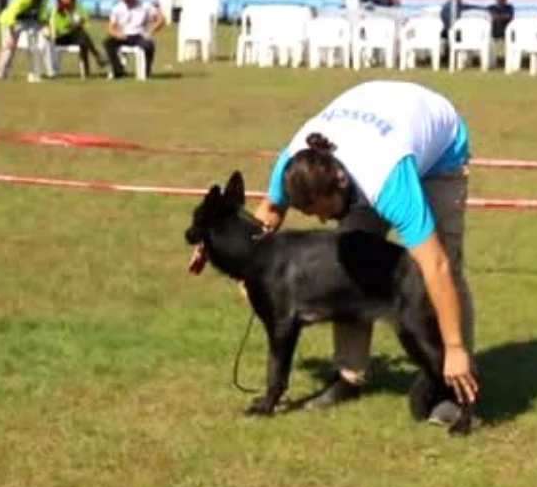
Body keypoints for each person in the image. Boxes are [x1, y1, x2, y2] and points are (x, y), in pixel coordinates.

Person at [194, 81, 479, 426]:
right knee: (349, 261)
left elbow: (437, 266)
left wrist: (455, 348)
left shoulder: (386, 180)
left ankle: (455, 383)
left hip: (438, 153)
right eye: (311, 214)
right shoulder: (295, 164)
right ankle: (349, 377)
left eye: (322, 210)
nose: (322, 220)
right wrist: (225, 251)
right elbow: (267, 214)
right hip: (373, 121)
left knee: (437, 272)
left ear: (341, 183)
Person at [0, 0, 52, 82]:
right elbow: (13, 10)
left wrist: (45, 25)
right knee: (9, 47)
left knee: (34, 46)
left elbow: (43, 10)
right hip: (13, 19)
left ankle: (34, 74)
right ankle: (1, 72)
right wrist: (12, 31)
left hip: (30, 20)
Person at [104, 0, 164, 79]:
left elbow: (161, 19)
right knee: (108, 43)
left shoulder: (145, 6)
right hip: (124, 35)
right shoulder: (117, 8)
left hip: (139, 35)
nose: (124, 0)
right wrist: (115, 34)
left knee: (149, 45)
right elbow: (110, 27)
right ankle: (118, 70)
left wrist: (151, 31)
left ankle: (146, 71)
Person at [49, 0, 105, 78]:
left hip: (75, 35)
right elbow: (59, 28)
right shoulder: (57, 10)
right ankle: (97, 56)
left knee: (82, 39)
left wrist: (76, 24)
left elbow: (85, 20)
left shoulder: (78, 6)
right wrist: (73, 24)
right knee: (81, 34)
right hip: (61, 37)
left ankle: (86, 71)